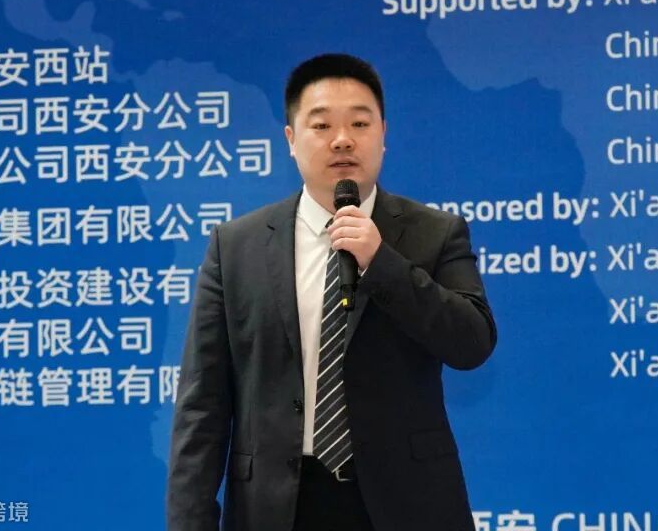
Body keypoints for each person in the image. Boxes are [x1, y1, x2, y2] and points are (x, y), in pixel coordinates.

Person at [166, 53, 497, 531]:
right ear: (291, 139)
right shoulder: (236, 247)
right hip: (277, 508)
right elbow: (203, 404)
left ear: (383, 133)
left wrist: (382, 263)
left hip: (408, 504)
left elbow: (472, 343)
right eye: (321, 126)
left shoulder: (435, 233)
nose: (342, 139)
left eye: (360, 123)